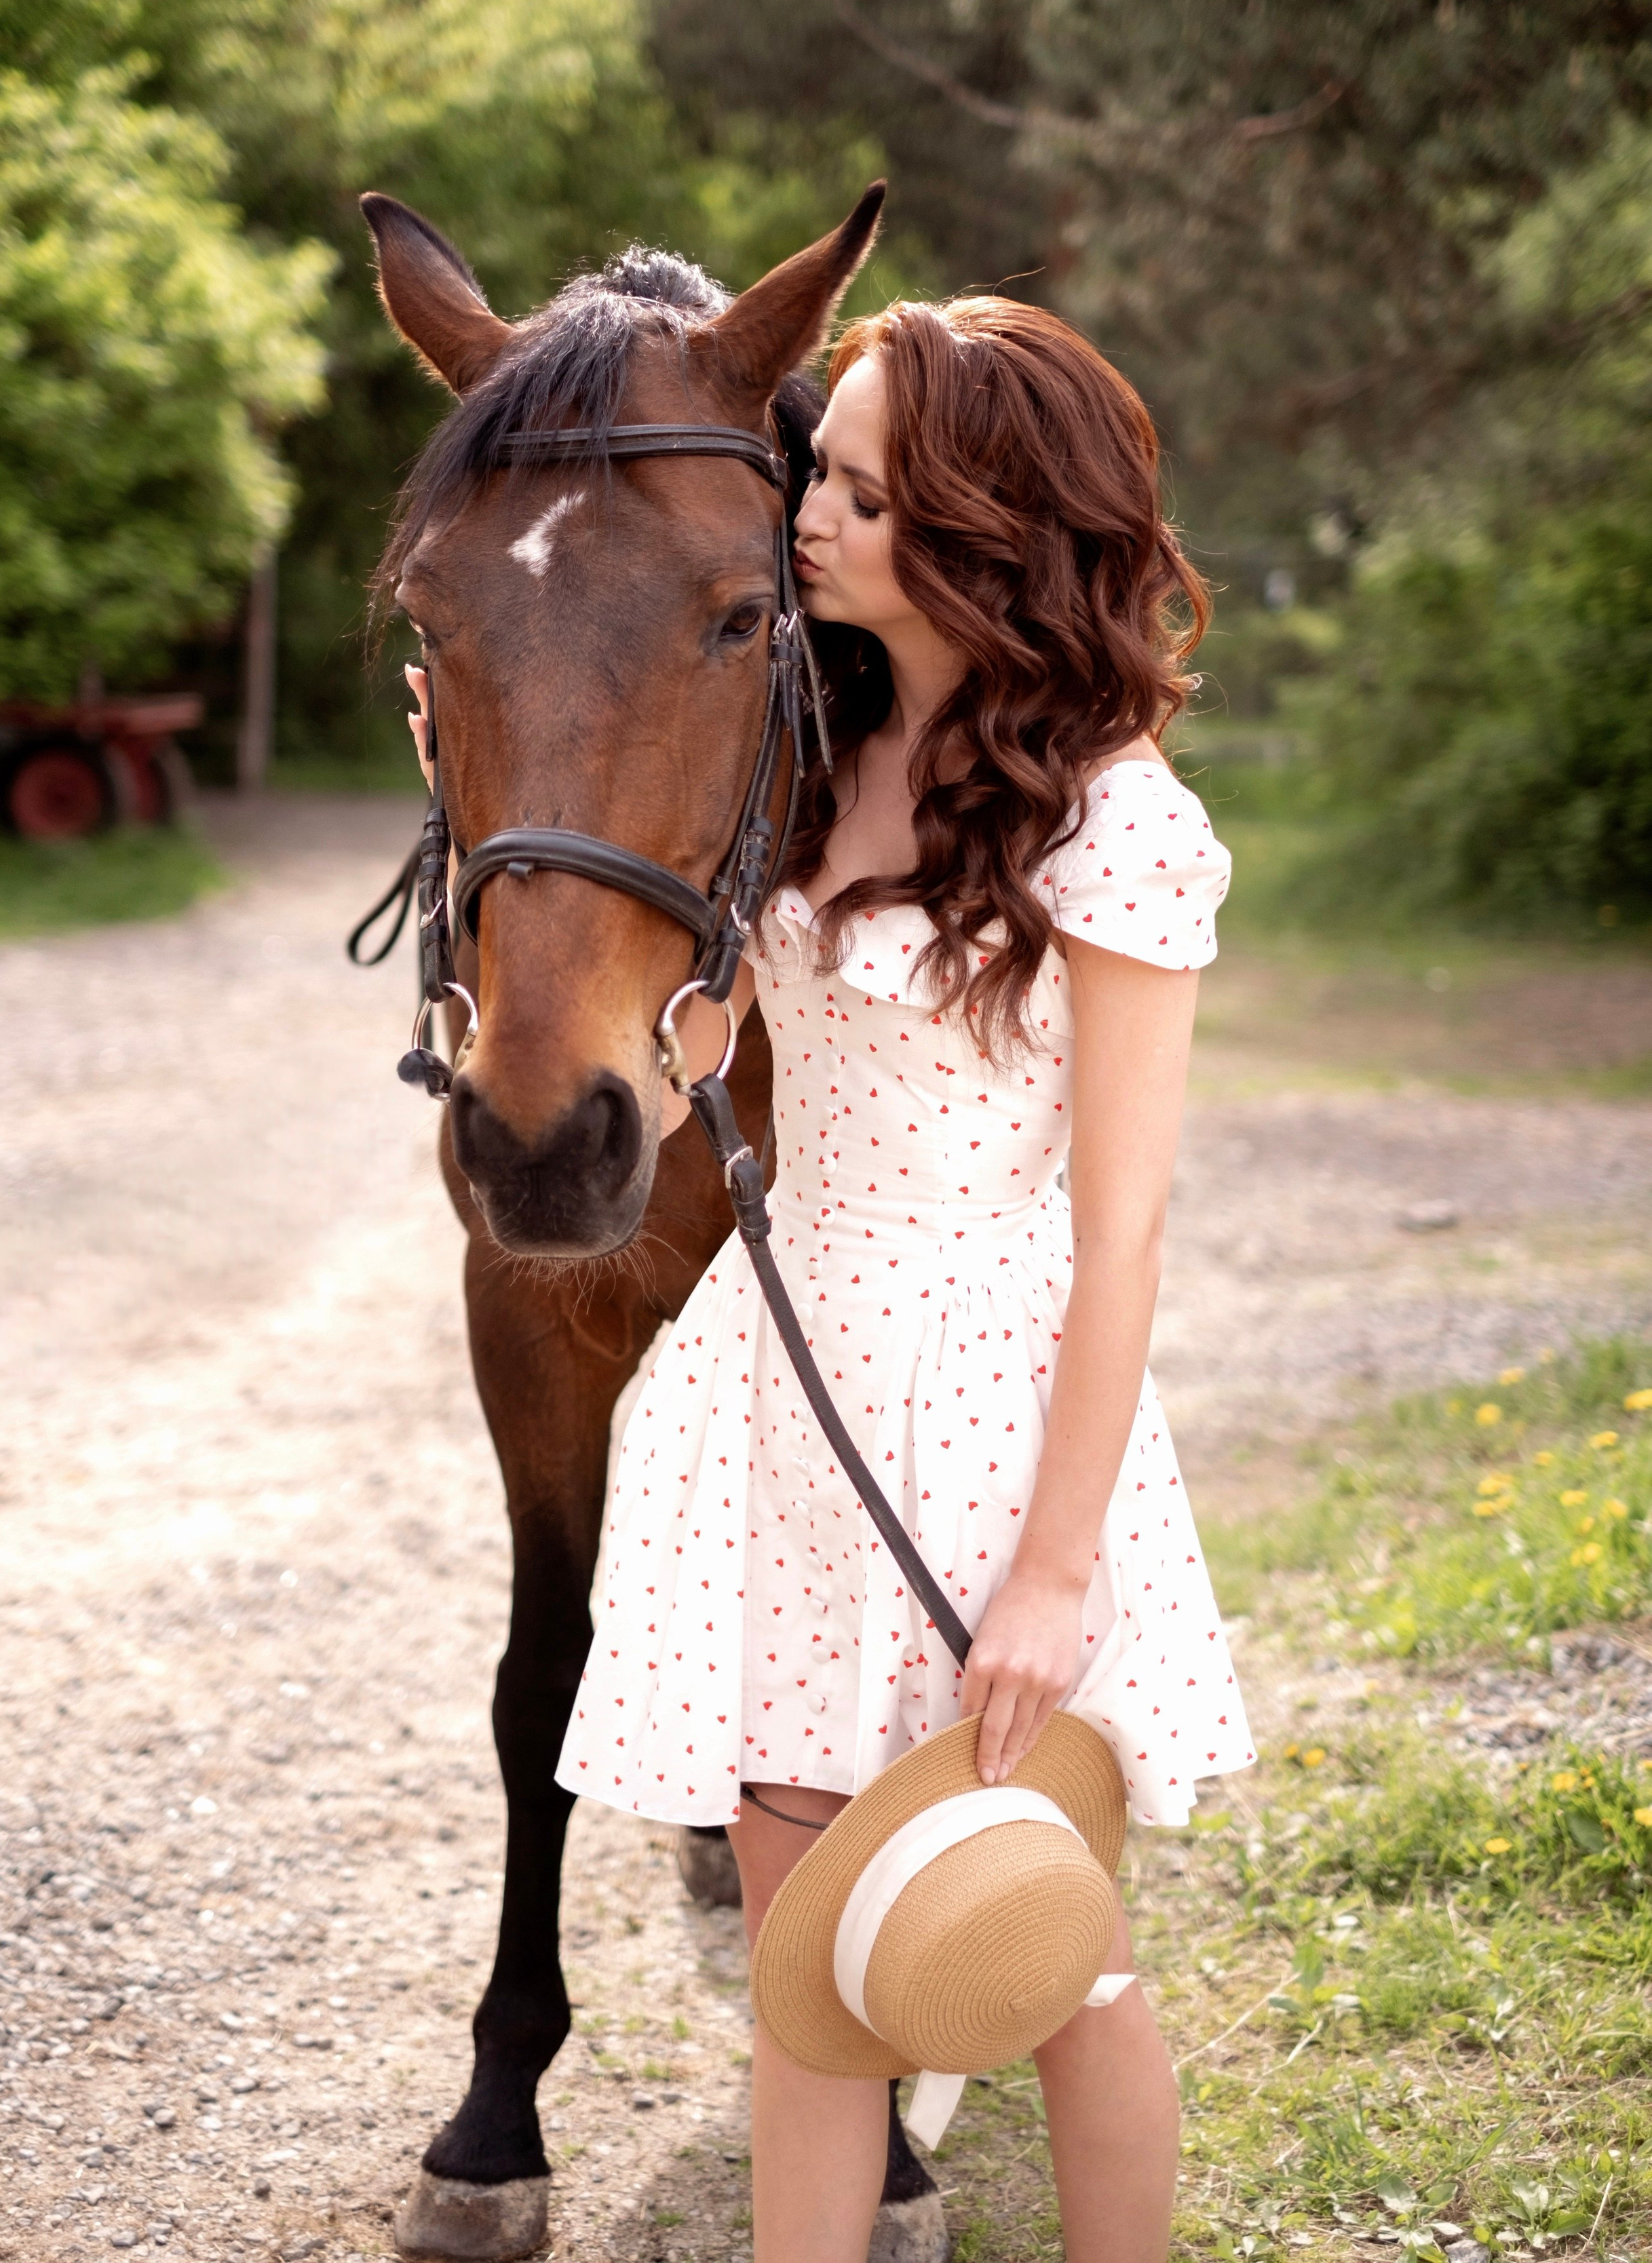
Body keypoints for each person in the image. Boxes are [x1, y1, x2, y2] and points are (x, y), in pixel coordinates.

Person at [480, 294, 1253, 2262]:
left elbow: (1127, 1232)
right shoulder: (796, 782)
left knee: (1053, 1954)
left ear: (984, 529)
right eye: (820, 476)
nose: (806, 512)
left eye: (859, 489)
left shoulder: (1113, 825)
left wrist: (1060, 1571)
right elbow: (690, 1080)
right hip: (779, 1402)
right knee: (806, 1974)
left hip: (992, 1409)